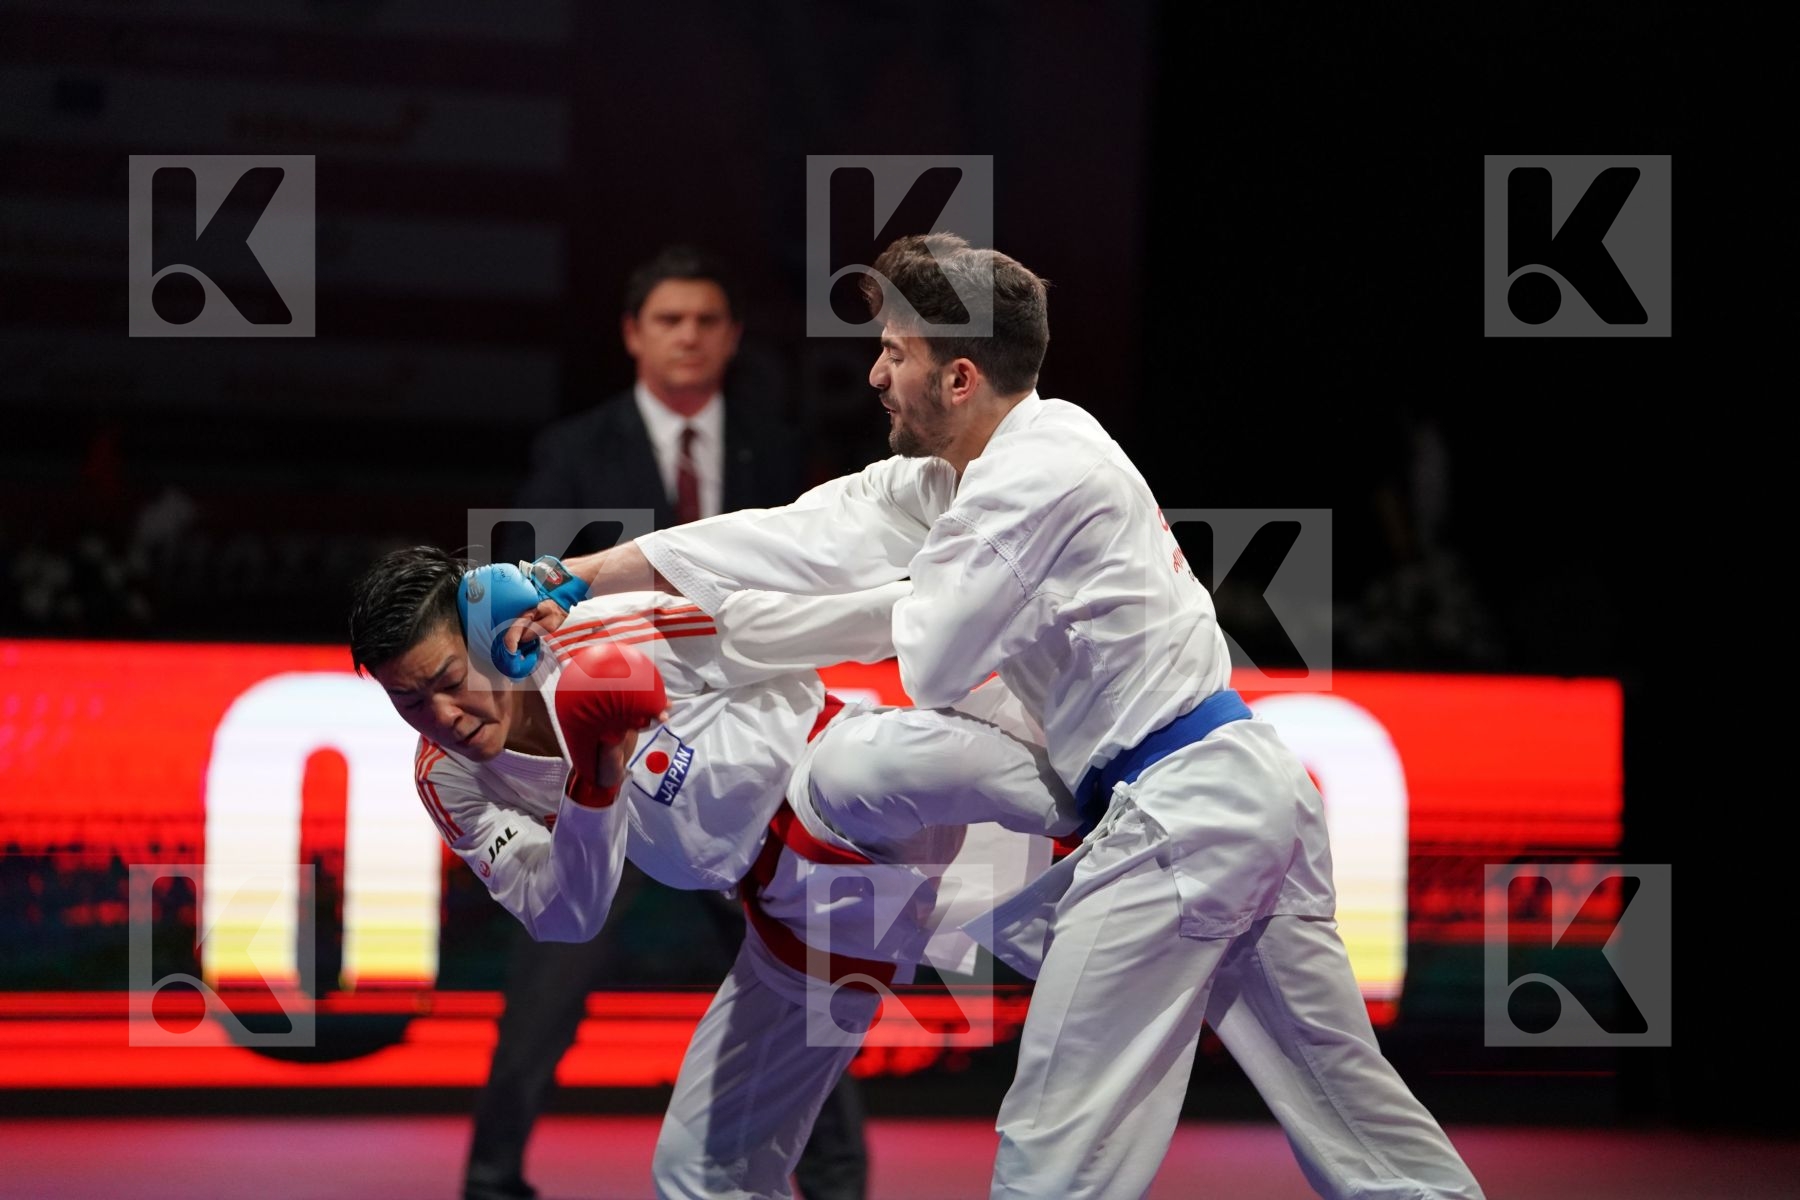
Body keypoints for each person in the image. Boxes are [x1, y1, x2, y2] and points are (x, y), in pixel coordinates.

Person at [534, 234, 1487, 1198]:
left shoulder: (1031, 479)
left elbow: (937, 664)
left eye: (894, 353)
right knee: (1361, 1128)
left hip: (1183, 812)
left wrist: (860, 599)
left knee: (1053, 1145)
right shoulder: (973, 468)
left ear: (958, 375)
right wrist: (574, 577)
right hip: (1242, 797)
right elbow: (794, 533)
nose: (874, 373)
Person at [349, 547, 1073, 1199]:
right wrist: (594, 781)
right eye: (409, 703)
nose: (443, 715)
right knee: (696, 1172)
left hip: (852, 791)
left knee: (872, 771)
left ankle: (1128, 787)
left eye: (448, 680)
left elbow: (799, 626)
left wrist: (969, 606)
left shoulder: (607, 632)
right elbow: (565, 914)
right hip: (802, 917)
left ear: (484, 639)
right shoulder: (452, 781)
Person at [475, 245, 849, 1200]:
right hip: (606, 763)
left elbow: (811, 578)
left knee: (795, 978)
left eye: (706, 321)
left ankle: (840, 1184)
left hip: (740, 763)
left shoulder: (775, 443)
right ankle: (492, 1180)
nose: (688, 335)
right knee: (548, 983)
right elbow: (516, 587)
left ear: (729, 338)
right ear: (633, 334)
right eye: (668, 319)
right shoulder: (574, 450)